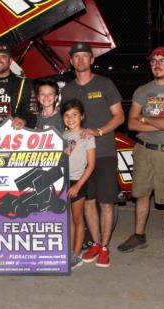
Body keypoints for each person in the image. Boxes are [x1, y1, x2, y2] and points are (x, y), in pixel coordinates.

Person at [117, 46, 164, 264]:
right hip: (142, 150)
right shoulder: (142, 91)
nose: (157, 64)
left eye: (162, 60)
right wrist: (158, 123)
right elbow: (131, 123)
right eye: (153, 61)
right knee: (141, 194)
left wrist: (146, 120)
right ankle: (139, 236)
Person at [61, 41, 125, 268]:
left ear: (92, 59)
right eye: (75, 57)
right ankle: (96, 243)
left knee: (106, 202)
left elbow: (119, 116)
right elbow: (64, 122)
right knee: (87, 203)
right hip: (78, 159)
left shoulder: (105, 84)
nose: (80, 60)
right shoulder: (67, 89)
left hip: (104, 151)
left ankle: (105, 247)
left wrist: (98, 131)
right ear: (71, 61)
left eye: (84, 56)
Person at [61, 99, 96, 270]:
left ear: (82, 116)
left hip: (78, 182)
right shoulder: (63, 136)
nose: (70, 118)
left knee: (77, 219)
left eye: (74, 115)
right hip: (64, 182)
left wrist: (77, 186)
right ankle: (69, 252)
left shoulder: (87, 136)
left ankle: (76, 255)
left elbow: (91, 165)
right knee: (67, 220)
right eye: (66, 115)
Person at [0, 42, 36, 130]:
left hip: (12, 135)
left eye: (3, 56)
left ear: (10, 60)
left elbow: (33, 116)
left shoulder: (24, 82)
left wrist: (23, 120)